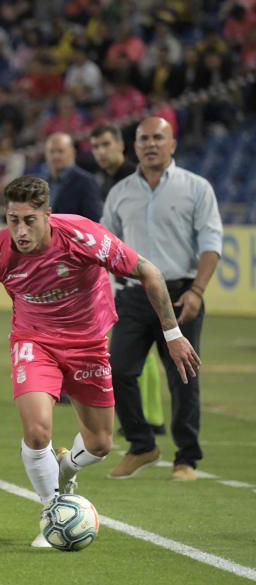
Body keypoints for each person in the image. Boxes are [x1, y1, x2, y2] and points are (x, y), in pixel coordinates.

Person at [0, 176, 200, 547]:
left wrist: (172, 335)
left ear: (48, 214)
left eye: (29, 220)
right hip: (34, 341)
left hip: (88, 344)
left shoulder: (82, 236)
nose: (20, 230)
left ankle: (65, 470)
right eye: (13, 220)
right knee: (38, 431)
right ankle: (52, 511)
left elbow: (149, 273)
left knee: (100, 443)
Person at [102, 117, 222, 482]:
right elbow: (105, 247)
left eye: (158, 138)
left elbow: (211, 244)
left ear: (173, 144)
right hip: (134, 296)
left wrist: (197, 291)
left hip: (180, 294)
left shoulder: (197, 188)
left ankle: (186, 458)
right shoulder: (120, 191)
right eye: (143, 139)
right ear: (134, 146)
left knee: (183, 376)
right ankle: (141, 445)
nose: (151, 144)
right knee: (118, 369)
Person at [90, 123, 166, 436]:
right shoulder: (108, 180)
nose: (101, 152)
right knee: (137, 351)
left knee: (138, 349)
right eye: (96, 147)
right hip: (123, 272)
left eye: (106, 144)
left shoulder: (133, 180)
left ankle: (151, 418)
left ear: (122, 145)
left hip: (138, 273)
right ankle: (149, 417)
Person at [44, 132, 102, 222]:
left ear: (72, 153)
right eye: (51, 151)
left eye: (60, 151)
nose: (55, 156)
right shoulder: (42, 183)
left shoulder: (86, 182)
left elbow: (93, 221)